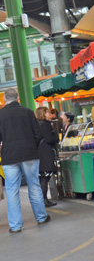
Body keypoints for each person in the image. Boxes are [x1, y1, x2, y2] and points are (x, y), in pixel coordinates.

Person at [0, 88, 51, 232]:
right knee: (34, 185)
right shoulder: (28, 112)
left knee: (12, 191)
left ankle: (15, 226)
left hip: (9, 156)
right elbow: (38, 134)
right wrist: (31, 146)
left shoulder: (0, 115)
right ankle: (41, 217)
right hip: (29, 155)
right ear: (18, 98)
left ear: (5, 99)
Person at [35, 106, 58, 207]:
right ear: (43, 114)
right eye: (47, 112)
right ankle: (44, 200)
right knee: (45, 177)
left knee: (42, 178)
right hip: (46, 153)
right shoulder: (45, 124)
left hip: (40, 153)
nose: (49, 114)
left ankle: (43, 200)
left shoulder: (37, 124)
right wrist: (56, 138)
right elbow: (49, 139)